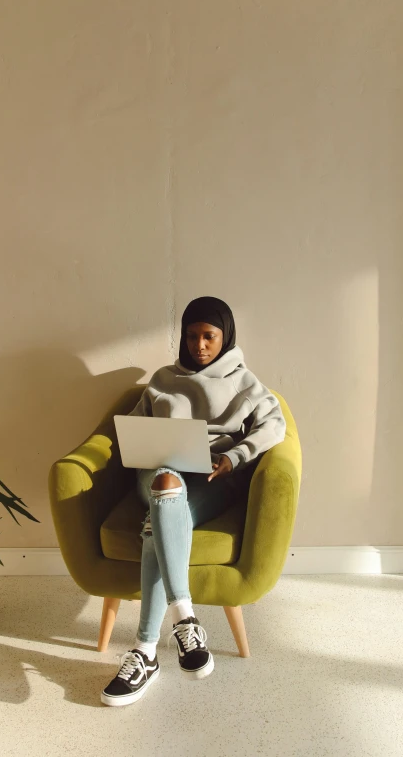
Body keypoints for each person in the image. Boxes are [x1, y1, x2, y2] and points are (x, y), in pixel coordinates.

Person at [101, 296, 286, 706]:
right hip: (157, 473)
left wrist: (233, 456)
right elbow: (132, 425)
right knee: (165, 481)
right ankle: (184, 616)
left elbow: (276, 426)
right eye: (192, 336)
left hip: (210, 478)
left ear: (225, 337)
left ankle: (145, 652)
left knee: (156, 525)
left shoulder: (244, 382)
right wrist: (134, 443)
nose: (199, 345)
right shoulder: (163, 378)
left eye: (209, 336)